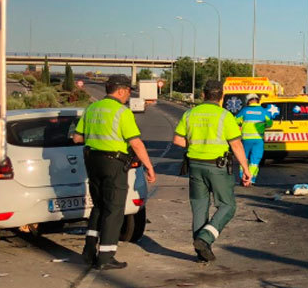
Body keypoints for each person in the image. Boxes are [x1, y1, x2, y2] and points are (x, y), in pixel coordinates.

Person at [71, 74, 157, 270]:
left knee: (99, 206)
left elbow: (77, 138)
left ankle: (89, 249)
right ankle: (106, 256)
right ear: (120, 90)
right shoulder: (122, 112)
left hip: (93, 161)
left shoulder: (92, 108)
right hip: (114, 163)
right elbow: (135, 143)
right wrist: (149, 168)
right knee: (114, 209)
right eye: (128, 91)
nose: (128, 95)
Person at [173, 80, 253, 263]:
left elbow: (177, 140)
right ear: (222, 97)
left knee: (199, 208)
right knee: (227, 205)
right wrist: (246, 170)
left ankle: (201, 253)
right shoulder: (225, 116)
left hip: (195, 166)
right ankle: (205, 239)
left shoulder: (190, 113)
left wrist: (195, 144)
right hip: (217, 168)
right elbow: (236, 144)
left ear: (203, 95)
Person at [234, 93, 273, 183]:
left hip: (246, 140)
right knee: (255, 160)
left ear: (248, 101)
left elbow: (235, 121)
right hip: (258, 140)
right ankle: (251, 179)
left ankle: (243, 177)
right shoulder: (264, 111)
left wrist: (241, 125)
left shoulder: (244, 110)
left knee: (244, 158)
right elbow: (270, 124)